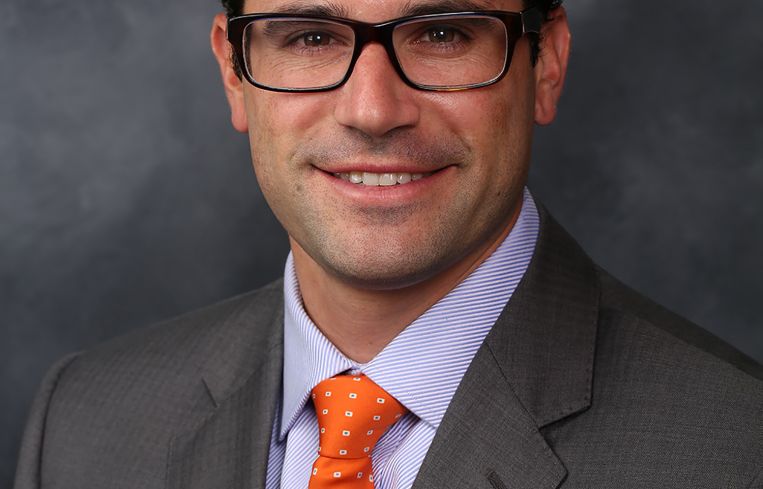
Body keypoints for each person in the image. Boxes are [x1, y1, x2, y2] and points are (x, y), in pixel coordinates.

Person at [13, 0, 762, 487]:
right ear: (234, 74)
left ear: (548, 63)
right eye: (310, 37)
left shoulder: (733, 448)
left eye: (442, 33)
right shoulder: (83, 423)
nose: (372, 110)